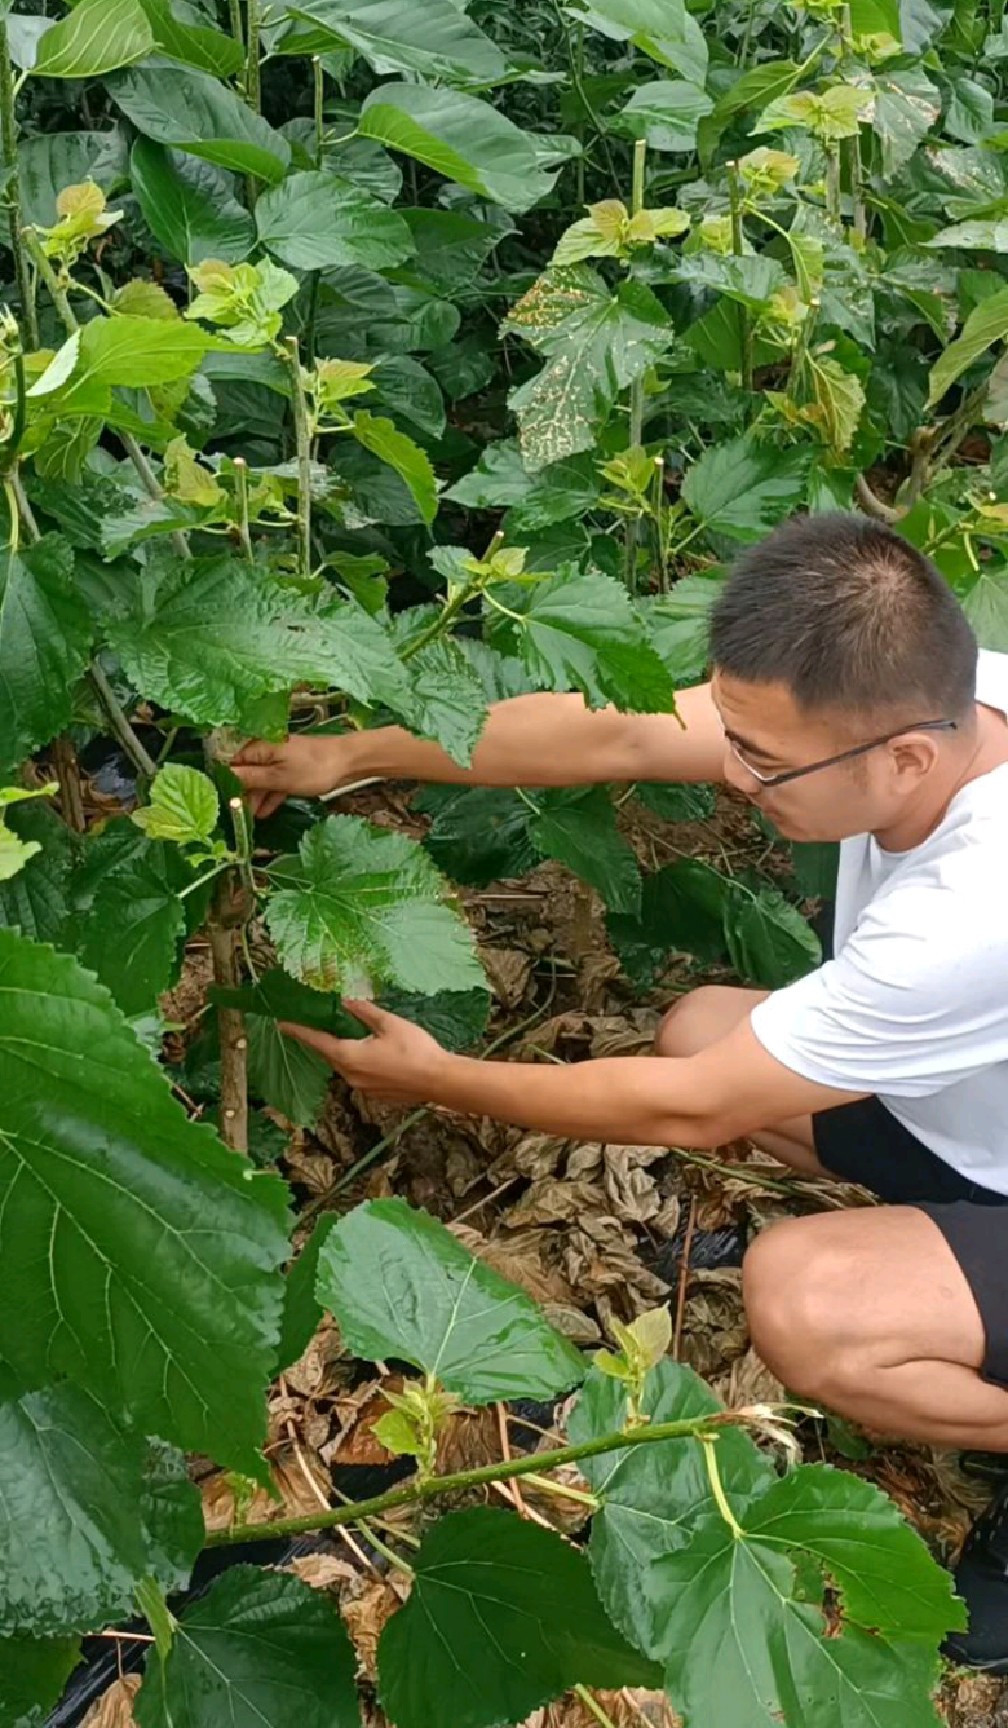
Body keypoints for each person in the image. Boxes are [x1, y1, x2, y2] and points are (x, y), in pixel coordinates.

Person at [232, 512, 1008, 1668]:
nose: (736, 776)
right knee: (703, 1026)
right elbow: (626, 739)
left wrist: (440, 1076)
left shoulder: (967, 912)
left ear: (903, 757)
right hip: (978, 1127)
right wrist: (358, 752)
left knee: (803, 1300)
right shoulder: (938, 696)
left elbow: (690, 1110)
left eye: (763, 761)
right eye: (735, 735)